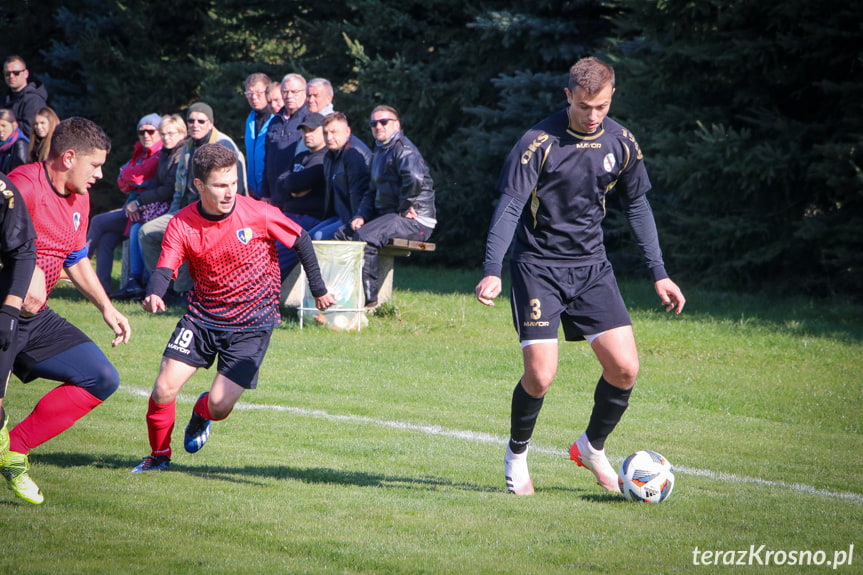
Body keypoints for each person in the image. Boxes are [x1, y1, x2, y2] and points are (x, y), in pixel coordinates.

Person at [474, 57, 686, 496]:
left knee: (625, 368)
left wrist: (660, 274)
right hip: (538, 268)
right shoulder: (537, 143)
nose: (593, 117)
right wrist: (493, 270)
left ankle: (590, 447)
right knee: (540, 376)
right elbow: (510, 207)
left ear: (612, 99)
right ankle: (516, 454)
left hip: (592, 268)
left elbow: (638, 206)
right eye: (585, 106)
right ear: (568, 96)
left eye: (602, 107)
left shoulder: (622, 141)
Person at [131, 144, 335, 473]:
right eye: (220, 185)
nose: (230, 193)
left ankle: (202, 413)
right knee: (163, 387)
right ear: (199, 186)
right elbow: (166, 266)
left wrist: (319, 289)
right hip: (202, 317)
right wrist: (155, 293)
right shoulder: (183, 223)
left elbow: (301, 239)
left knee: (219, 405)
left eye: (234, 184)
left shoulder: (258, 213)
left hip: (253, 324)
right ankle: (158, 457)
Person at [4, 117, 132, 504]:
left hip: (36, 318)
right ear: (69, 157)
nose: (100, 174)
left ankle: (14, 448)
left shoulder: (80, 197)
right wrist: (20, 276)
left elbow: (74, 256)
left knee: (101, 377)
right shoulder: (23, 186)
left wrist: (105, 307)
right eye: (95, 165)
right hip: (5, 311)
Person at [138, 102, 247, 301]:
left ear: (211, 123)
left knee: (189, 234)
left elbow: (233, 190)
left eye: (201, 121)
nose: (195, 124)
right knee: (147, 232)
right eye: (191, 120)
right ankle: (163, 289)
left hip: (215, 213)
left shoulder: (223, 145)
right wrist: (173, 216)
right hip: (186, 209)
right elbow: (179, 188)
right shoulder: (188, 146)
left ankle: (185, 292)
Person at [335, 105, 436, 307]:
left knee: (365, 237)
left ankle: (368, 302)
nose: (378, 126)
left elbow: (415, 179)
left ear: (396, 124)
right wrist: (361, 215)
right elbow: (371, 191)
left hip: (417, 221)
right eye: (374, 123)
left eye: (384, 122)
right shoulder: (380, 152)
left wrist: (404, 208)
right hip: (392, 217)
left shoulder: (404, 150)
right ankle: (339, 296)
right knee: (340, 235)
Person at [113, 114, 188, 299]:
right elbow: (156, 182)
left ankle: (159, 285)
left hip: (175, 206)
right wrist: (138, 199)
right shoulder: (166, 153)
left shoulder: (180, 155)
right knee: (136, 226)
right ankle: (135, 281)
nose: (166, 137)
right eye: (163, 134)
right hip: (163, 204)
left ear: (181, 133)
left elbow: (169, 189)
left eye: (171, 133)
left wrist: (139, 201)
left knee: (145, 230)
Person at [87, 113, 162, 294]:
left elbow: (135, 176)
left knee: (98, 221)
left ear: (159, 132)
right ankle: (100, 291)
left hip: (146, 212)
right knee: (106, 240)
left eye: (151, 131)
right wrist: (131, 175)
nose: (146, 136)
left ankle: (76, 264)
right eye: (141, 132)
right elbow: (122, 180)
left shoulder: (160, 154)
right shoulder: (141, 152)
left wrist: (131, 175)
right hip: (132, 211)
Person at [0, 172, 38, 504]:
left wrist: (9, 311)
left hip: (8, 307)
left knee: (100, 378)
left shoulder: (4, 190)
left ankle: (10, 458)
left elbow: (24, 251)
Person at [263, 112, 329, 280]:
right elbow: (283, 182)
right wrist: (293, 185)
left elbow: (296, 184)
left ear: (324, 131)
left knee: (278, 250)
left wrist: (293, 184)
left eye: (312, 130)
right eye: (305, 131)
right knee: (256, 240)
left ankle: (263, 293)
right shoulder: (301, 156)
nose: (307, 135)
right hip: (288, 214)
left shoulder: (325, 159)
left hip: (309, 218)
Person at [309, 112, 373, 241]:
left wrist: (354, 227)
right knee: (306, 237)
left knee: (318, 238)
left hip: (355, 218)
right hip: (339, 216)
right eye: (326, 133)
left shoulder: (354, 155)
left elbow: (359, 194)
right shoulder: (330, 155)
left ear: (347, 131)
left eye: (334, 132)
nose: (329, 137)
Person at [260, 74, 308, 204]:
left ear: (305, 92)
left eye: (294, 92)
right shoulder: (275, 121)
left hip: (296, 197)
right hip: (274, 195)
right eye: (285, 92)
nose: (289, 96)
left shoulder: (309, 121)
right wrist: (265, 193)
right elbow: (267, 159)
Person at [243, 73, 273, 199]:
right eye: (249, 94)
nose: (254, 97)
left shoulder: (276, 118)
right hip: (253, 192)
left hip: (271, 191)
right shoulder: (250, 118)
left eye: (258, 93)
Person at [2, 56, 48, 137]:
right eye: (7, 73)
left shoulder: (34, 99)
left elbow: (30, 130)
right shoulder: (4, 99)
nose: (11, 76)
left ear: (26, 73)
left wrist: (7, 125)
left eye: (16, 73)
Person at [0, 109, 30, 174]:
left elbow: (20, 172)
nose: (0, 129)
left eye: (3, 126)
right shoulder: (2, 145)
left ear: (14, 125)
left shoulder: (20, 144)